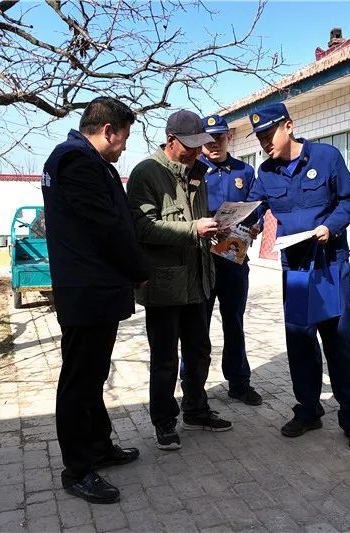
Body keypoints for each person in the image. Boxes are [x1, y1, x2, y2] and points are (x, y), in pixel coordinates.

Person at [41, 97, 151, 504]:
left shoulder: (82, 159)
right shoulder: (76, 161)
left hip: (94, 291)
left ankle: (99, 446)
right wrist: (139, 267)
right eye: (124, 138)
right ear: (108, 131)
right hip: (87, 291)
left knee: (93, 376)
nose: (124, 146)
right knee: (79, 381)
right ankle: (78, 470)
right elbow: (106, 227)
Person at [247, 103, 350, 451]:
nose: (264, 143)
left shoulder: (327, 157)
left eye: (268, 134)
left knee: (338, 339)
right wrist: (246, 225)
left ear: (288, 126)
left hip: (329, 264)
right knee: (300, 340)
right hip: (296, 268)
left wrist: (330, 227)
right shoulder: (266, 172)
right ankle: (308, 410)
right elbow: (254, 208)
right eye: (259, 137)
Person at [127, 109, 233, 452]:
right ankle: (164, 421)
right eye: (190, 145)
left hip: (198, 279)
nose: (197, 152)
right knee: (165, 359)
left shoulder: (198, 171)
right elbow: (142, 228)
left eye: (200, 145)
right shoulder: (147, 173)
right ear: (170, 140)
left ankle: (196, 409)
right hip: (164, 285)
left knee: (199, 351)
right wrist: (193, 229)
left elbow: (197, 222)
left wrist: (215, 230)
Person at [198, 114, 262, 406]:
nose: (214, 144)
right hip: (202, 259)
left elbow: (256, 208)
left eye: (219, 138)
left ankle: (239, 383)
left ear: (229, 137)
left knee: (234, 322)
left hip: (234, 258)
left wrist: (257, 225)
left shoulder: (244, 171)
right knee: (197, 325)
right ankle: (194, 387)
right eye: (208, 139)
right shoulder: (193, 170)